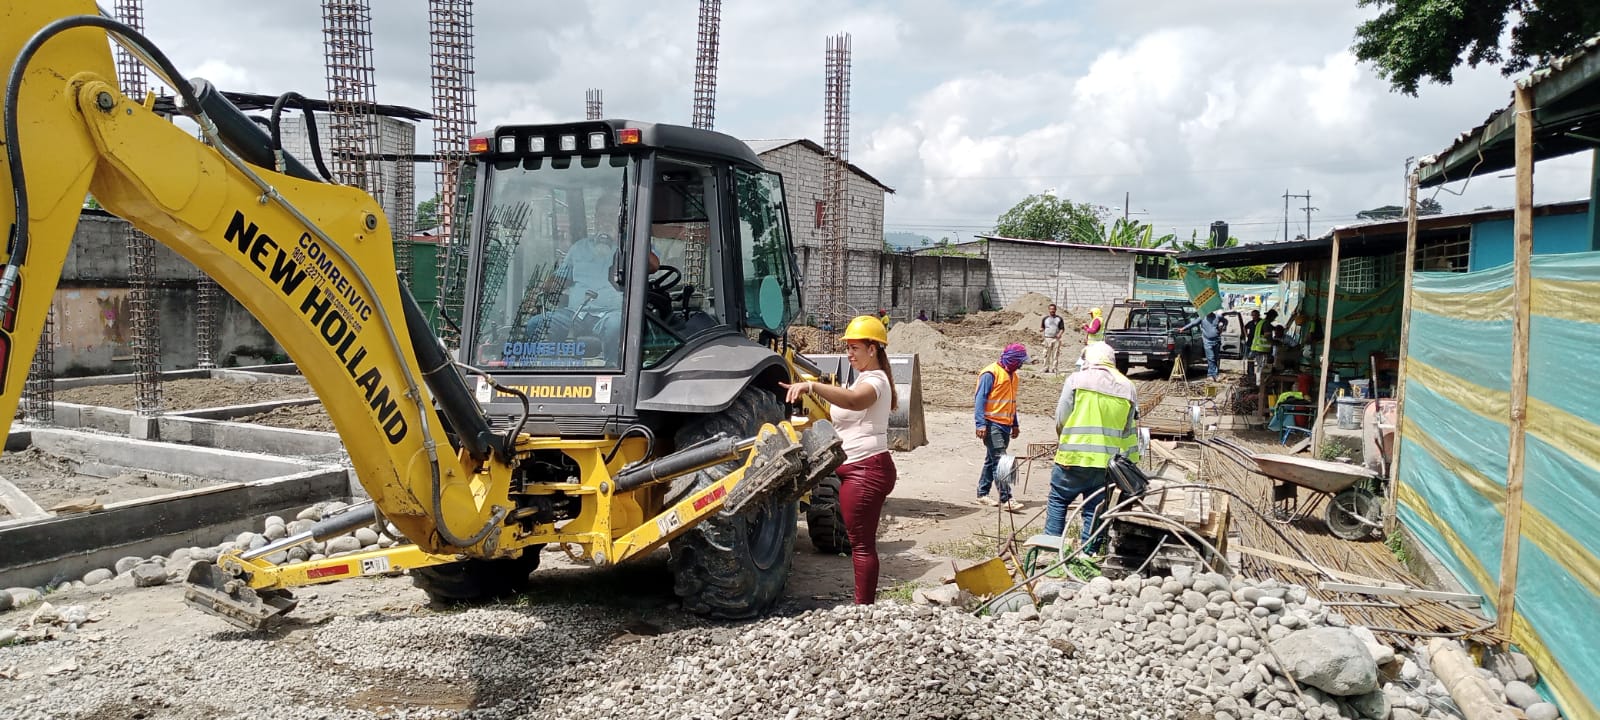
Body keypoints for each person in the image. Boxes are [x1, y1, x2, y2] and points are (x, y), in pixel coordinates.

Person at [782, 315, 898, 605]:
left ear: (873, 349)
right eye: (848, 348)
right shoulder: (865, 377)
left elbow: (854, 401)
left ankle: (863, 609)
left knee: (861, 546)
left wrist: (812, 387)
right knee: (861, 544)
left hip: (865, 469)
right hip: (861, 468)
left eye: (855, 348)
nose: (849, 354)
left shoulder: (875, 380)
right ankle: (863, 605)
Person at [1046, 341, 1139, 554]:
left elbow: (1061, 418)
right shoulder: (1128, 387)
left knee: (1058, 500)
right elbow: (1127, 429)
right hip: (1105, 463)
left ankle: (1050, 551)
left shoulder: (1076, 380)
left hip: (1072, 458)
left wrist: (1065, 439)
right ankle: (1089, 554)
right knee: (1094, 509)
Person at [973, 343, 1027, 512]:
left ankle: (982, 494)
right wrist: (980, 424)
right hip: (991, 424)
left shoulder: (1014, 377)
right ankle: (1007, 498)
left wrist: (1015, 423)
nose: (1021, 365)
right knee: (1001, 461)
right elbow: (980, 399)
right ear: (1012, 360)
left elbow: (1011, 402)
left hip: (1005, 425)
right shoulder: (990, 373)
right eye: (1019, 362)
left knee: (992, 460)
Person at [1179, 311, 1228, 381]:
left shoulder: (1218, 316)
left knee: (1215, 358)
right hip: (1207, 341)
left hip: (1216, 341)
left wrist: (1223, 328)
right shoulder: (1202, 317)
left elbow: (1225, 321)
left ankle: (1211, 374)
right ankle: (1214, 375)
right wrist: (1183, 328)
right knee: (1211, 358)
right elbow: (1193, 323)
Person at [1249, 309, 1280, 386]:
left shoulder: (1261, 322)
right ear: (1272, 317)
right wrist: (1275, 342)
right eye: (1274, 318)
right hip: (1262, 349)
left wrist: (1277, 329)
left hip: (1256, 348)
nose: (1274, 319)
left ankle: (1259, 383)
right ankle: (1260, 384)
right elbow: (1267, 336)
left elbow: (1272, 328)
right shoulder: (1267, 324)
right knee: (1262, 367)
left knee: (1260, 366)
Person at [1040, 303, 1067, 373]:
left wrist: (1059, 334)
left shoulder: (1059, 319)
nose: (1052, 310)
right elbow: (1042, 327)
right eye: (1051, 309)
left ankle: (1054, 368)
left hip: (1056, 339)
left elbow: (1062, 328)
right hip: (1047, 339)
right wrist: (1041, 329)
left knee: (1055, 354)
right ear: (1049, 310)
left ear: (1055, 310)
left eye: (1053, 309)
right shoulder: (1045, 319)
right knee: (1046, 354)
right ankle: (1045, 368)